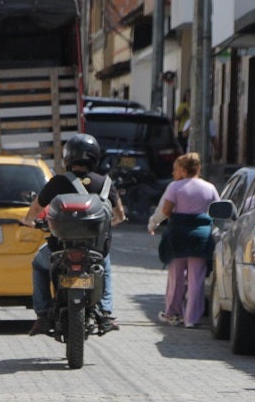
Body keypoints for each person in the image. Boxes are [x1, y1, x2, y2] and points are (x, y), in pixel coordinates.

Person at [20, 133, 126, 336]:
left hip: (61, 249)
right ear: (95, 157)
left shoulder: (58, 182)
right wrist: (107, 225)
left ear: (67, 157)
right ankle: (105, 314)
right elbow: (120, 215)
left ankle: (42, 314)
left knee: (38, 263)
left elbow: (34, 210)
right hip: (95, 249)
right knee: (106, 266)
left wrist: (28, 222)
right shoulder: (105, 183)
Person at [148, 153, 220, 328]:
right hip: (201, 236)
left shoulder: (175, 187)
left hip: (178, 235)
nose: (173, 173)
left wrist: (153, 223)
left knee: (176, 278)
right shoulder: (209, 188)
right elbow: (218, 210)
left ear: (182, 169)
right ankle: (192, 319)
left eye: (175, 169)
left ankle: (173, 313)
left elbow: (165, 211)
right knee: (197, 279)